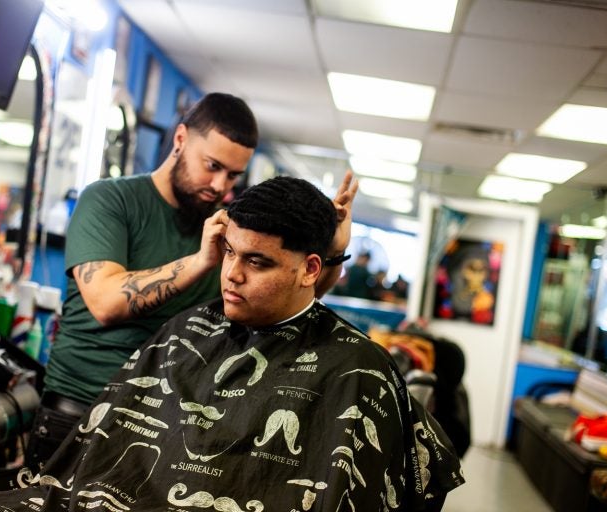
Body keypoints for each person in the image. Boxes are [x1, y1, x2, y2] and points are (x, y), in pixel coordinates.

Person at [0, 176, 463, 512]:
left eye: (257, 262)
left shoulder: (357, 369)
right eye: (230, 252)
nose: (232, 275)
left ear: (310, 269)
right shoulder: (190, 329)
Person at [27, 92, 359, 469]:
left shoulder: (227, 227)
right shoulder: (110, 201)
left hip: (162, 426)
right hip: (80, 414)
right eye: (212, 165)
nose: (221, 185)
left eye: (233, 175)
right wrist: (201, 261)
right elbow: (105, 301)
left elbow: (292, 292)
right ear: (181, 138)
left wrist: (332, 249)